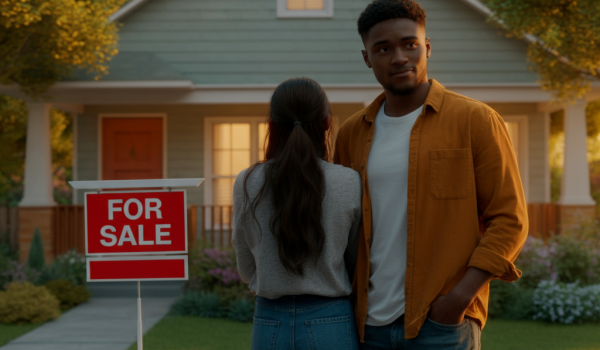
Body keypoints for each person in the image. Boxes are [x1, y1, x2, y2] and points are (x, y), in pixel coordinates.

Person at [333, 1, 529, 349]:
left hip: (441, 327)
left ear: (427, 47)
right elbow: (344, 226)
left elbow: (509, 219)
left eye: (409, 44)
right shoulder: (351, 133)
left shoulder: (475, 121)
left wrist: (457, 300)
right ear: (367, 58)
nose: (398, 57)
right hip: (367, 327)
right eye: (383, 48)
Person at [232, 77, 362, 350]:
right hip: (331, 319)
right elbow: (353, 262)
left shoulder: (248, 181)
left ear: (272, 126)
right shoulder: (349, 181)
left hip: (269, 320)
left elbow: (245, 270)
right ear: (326, 122)